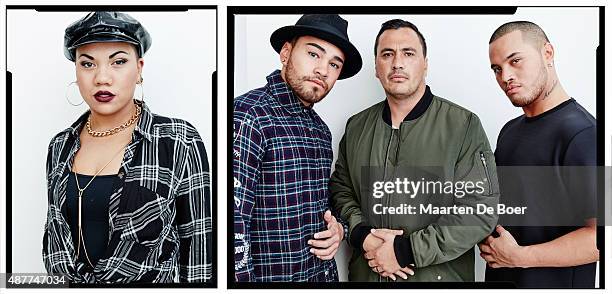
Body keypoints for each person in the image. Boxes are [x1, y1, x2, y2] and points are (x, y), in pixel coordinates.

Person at [43, 11, 212, 283]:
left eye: (118, 62)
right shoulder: (60, 146)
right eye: (87, 64)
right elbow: (56, 238)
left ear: (139, 68)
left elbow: (199, 247)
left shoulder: (177, 139)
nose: (102, 77)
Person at [330, 19, 499, 282]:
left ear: (425, 64)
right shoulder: (356, 127)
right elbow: (341, 190)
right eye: (387, 54)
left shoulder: (463, 125)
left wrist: (405, 250)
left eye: (408, 53)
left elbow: (478, 210)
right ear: (376, 67)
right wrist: (363, 235)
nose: (397, 63)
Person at [233, 14, 362, 281]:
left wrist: (339, 229)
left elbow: (323, 205)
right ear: (286, 52)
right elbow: (232, 224)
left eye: (334, 64)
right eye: (314, 54)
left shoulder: (320, 130)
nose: (323, 70)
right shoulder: (248, 116)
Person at [481, 21, 598, 288]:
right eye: (497, 69)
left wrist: (520, 257)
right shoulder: (509, 132)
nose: (505, 76)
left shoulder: (584, 135)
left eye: (516, 61)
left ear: (547, 53)